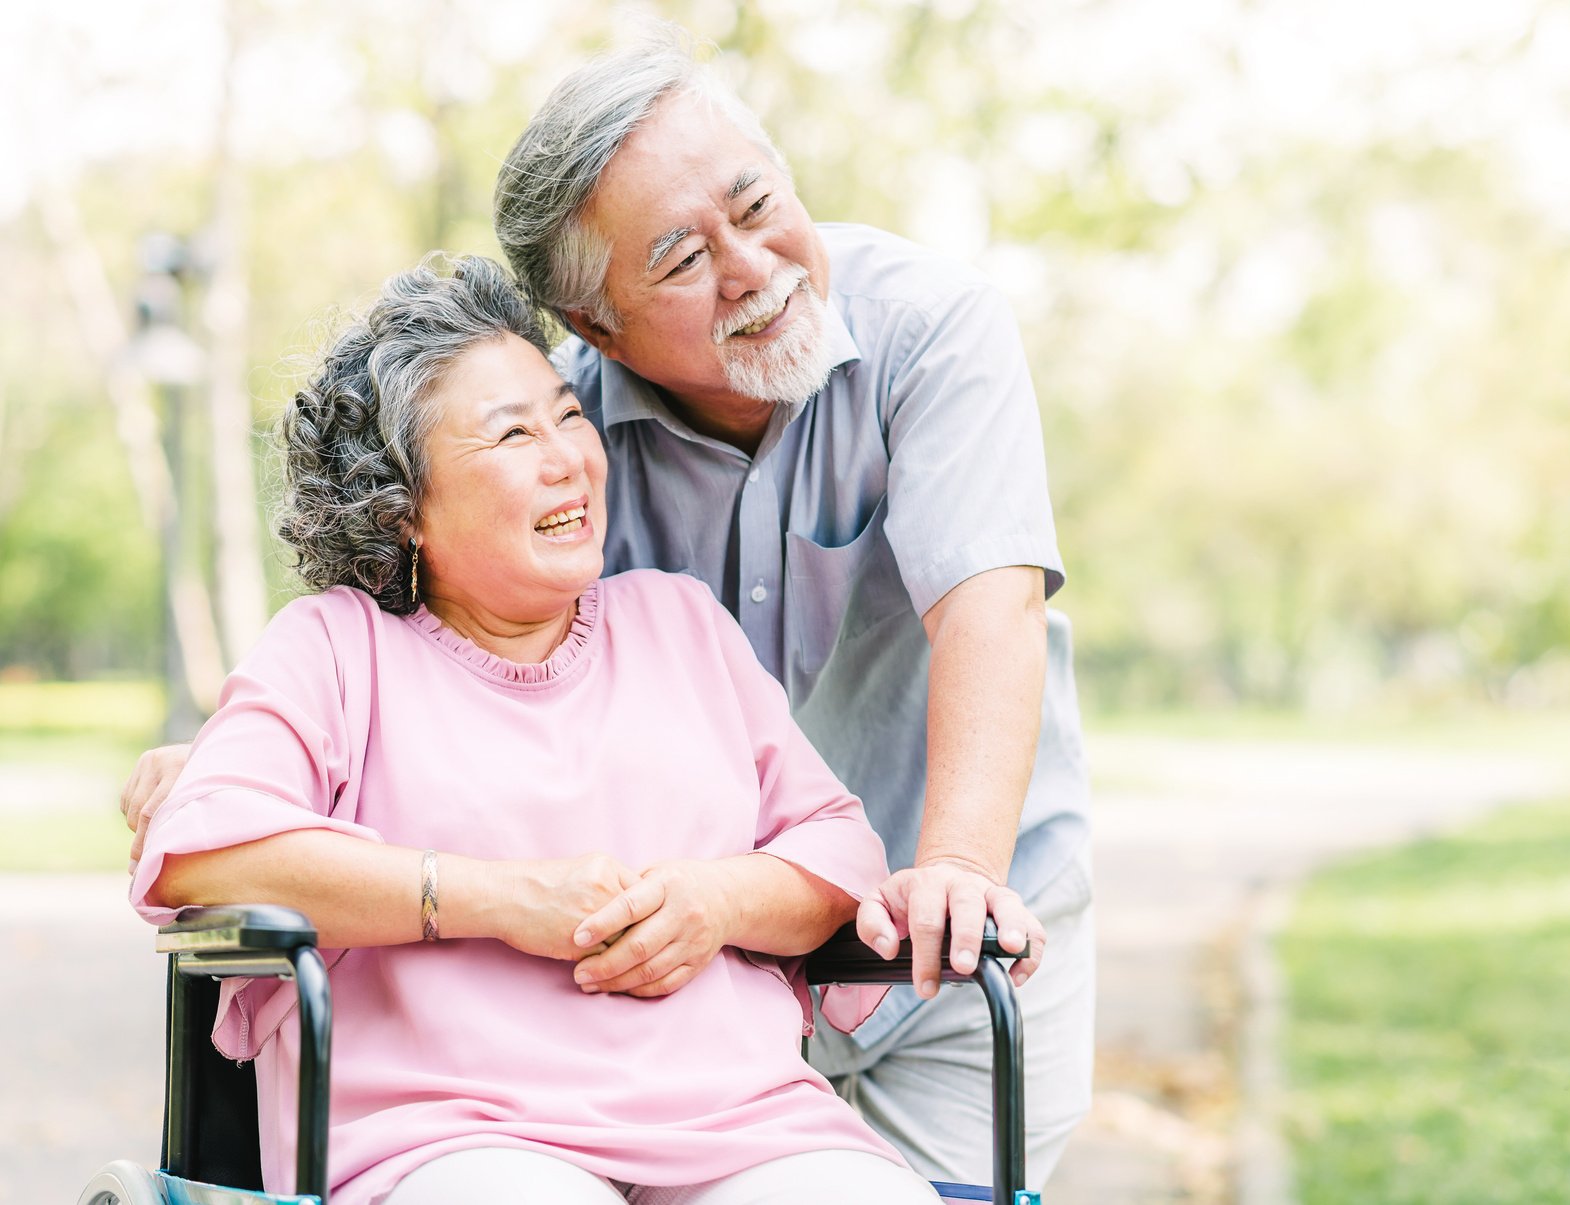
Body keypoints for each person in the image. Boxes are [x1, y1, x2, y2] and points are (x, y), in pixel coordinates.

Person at [125, 22, 1094, 1188]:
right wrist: (244, 754)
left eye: (756, 204)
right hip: (482, 1112)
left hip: (909, 937)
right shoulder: (549, 425)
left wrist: (937, 869)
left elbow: (982, 620)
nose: (750, 266)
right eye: (682, 259)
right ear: (598, 330)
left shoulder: (920, 341)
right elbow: (372, 664)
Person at [129, 254, 942, 1205]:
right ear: (402, 510)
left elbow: (838, 845)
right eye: (512, 434)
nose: (569, 456)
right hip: (451, 1134)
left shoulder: (679, 623)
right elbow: (202, 857)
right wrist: (497, 899)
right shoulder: (335, 648)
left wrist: (715, 901)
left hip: (740, 1121)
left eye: (566, 414)